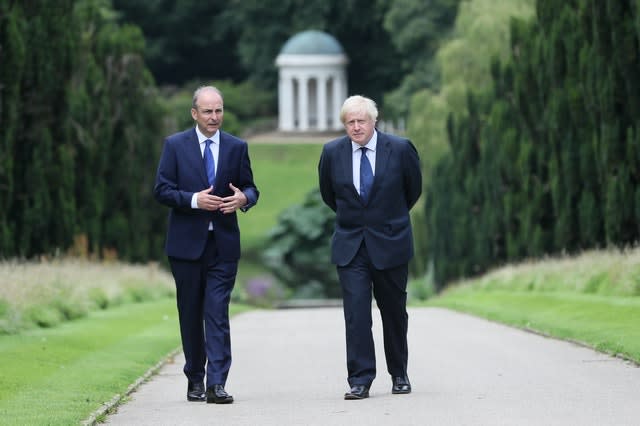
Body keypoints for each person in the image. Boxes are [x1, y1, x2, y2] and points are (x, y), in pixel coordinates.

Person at [154, 85, 259, 404]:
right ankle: (195, 378)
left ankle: (216, 383)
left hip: (223, 246)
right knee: (190, 313)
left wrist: (244, 199)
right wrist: (194, 200)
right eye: (208, 111)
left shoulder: (236, 146)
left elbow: (251, 188)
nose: (215, 117)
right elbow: (162, 190)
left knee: (216, 312)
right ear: (194, 113)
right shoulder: (175, 146)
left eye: (219, 110)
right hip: (186, 247)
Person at [318, 95, 422, 400]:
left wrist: (389, 219)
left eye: (361, 120)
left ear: (374, 121)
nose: (355, 127)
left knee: (394, 312)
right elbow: (329, 195)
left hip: (391, 242)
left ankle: (399, 373)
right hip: (351, 245)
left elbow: (412, 190)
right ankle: (360, 379)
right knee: (356, 314)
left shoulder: (400, 149)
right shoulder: (332, 152)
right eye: (349, 122)